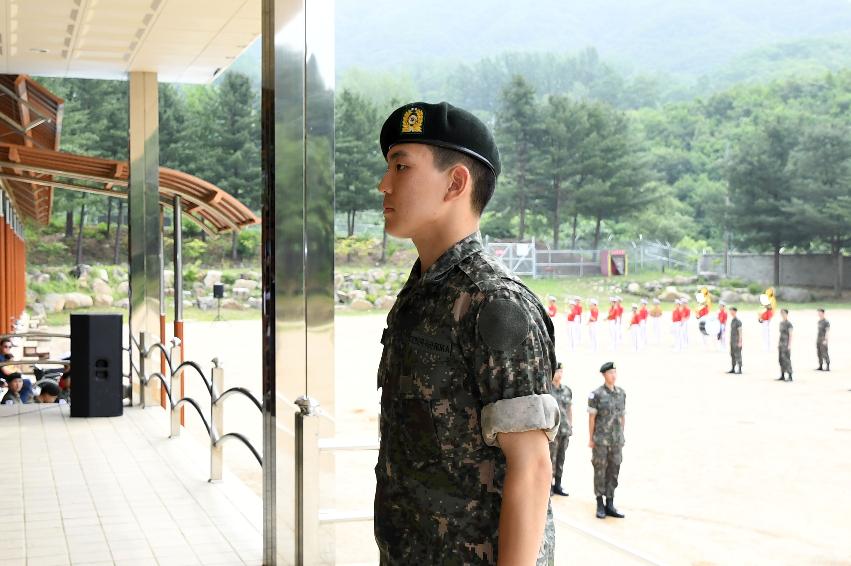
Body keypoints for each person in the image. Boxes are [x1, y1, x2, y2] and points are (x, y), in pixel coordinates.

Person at [374, 101, 558, 565]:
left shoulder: (494, 303)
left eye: (401, 167)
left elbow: (532, 467)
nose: (384, 184)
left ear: (456, 183)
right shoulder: (423, 292)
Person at [588, 362, 626, 520]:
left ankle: (610, 502)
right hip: (601, 440)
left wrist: (622, 435)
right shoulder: (596, 394)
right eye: (611, 373)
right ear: (604, 375)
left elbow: (623, 416)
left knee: (614, 470)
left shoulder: (621, 393)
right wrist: (591, 438)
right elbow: (592, 418)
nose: (613, 375)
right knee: (600, 471)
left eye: (615, 372)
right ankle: (600, 503)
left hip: (616, 441)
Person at [549, 362, 572, 497]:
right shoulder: (548, 390)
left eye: (561, 371)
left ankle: (558, 484)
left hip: (564, 430)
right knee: (551, 459)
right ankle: (549, 486)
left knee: (561, 458)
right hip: (553, 432)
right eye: (558, 371)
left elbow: (569, 409)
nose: (560, 374)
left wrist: (570, 424)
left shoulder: (567, 390)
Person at [0, 338, 33, 403]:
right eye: (5, 347)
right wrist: (17, 373)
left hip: (11, 377)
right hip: (6, 379)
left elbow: (15, 366)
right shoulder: (0, 357)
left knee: (26, 382)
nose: (8, 349)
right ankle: (22, 402)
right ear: (0, 346)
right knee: (27, 382)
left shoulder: (7, 356)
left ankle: (23, 400)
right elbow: (6, 371)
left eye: (10, 347)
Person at [777, 309, 793, 382]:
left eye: (784, 314)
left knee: (787, 360)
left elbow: (791, 335)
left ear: (787, 314)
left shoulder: (789, 324)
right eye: (781, 314)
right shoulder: (781, 323)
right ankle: (782, 375)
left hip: (786, 344)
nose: (782, 315)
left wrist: (789, 345)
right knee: (781, 359)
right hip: (781, 344)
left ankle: (790, 375)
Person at [727, 307, 742, 374]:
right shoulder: (732, 320)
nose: (731, 312)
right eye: (730, 311)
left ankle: (739, 369)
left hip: (736, 340)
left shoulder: (738, 321)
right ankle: (733, 368)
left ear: (735, 312)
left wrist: (740, 341)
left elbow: (740, 332)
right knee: (732, 354)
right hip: (732, 340)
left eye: (732, 311)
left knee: (738, 354)